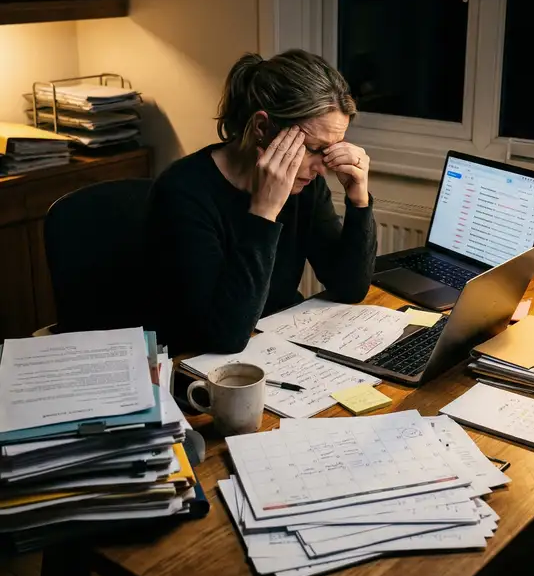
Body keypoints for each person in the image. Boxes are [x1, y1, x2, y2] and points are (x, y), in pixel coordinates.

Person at [146, 49, 377, 355]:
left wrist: (359, 202)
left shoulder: (306, 186)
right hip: (200, 360)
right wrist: (264, 212)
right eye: (313, 148)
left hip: (280, 344)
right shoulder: (182, 192)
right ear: (261, 128)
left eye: (331, 150)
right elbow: (223, 335)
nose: (323, 167)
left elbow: (350, 288)